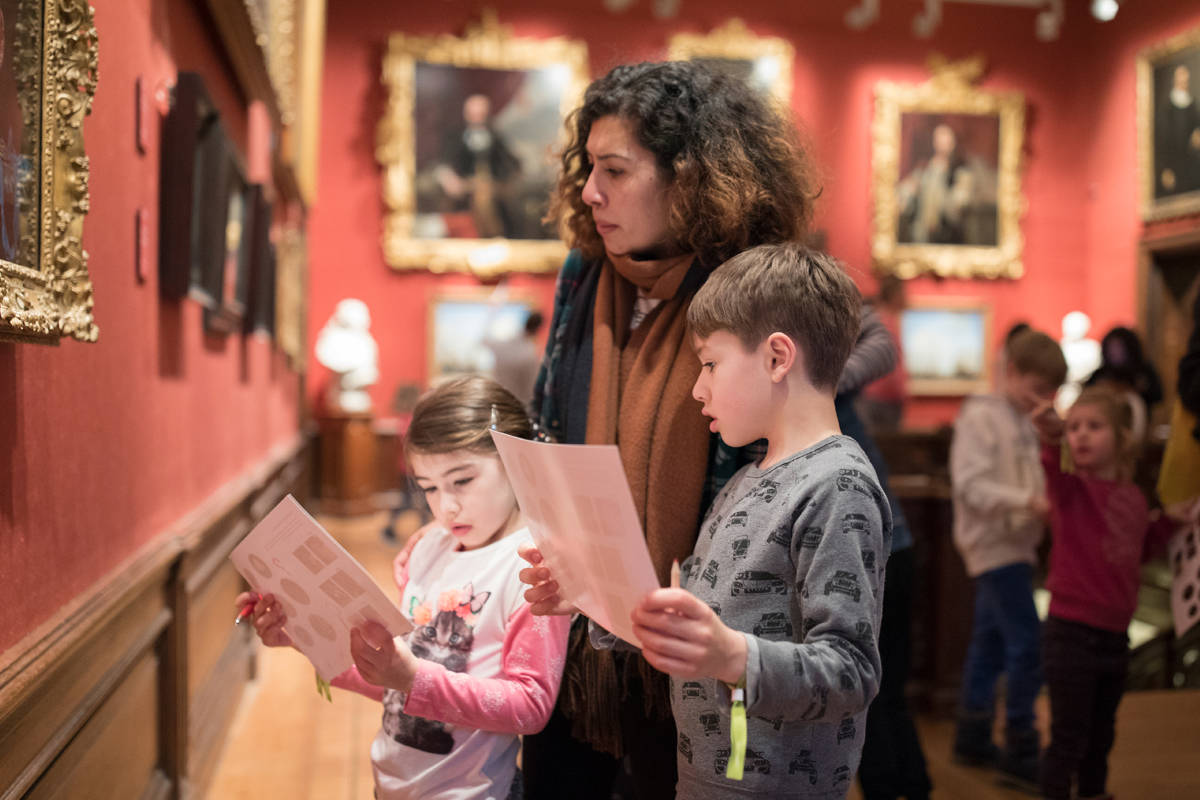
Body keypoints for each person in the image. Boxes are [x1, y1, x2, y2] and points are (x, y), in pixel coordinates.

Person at [523, 60, 819, 799]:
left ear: (688, 178)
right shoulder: (584, 273)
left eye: (616, 171)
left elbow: (775, 474)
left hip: (697, 651)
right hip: (573, 641)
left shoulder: (754, 294)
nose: (591, 192)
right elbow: (548, 422)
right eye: (588, 168)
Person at [522, 242, 889, 799]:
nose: (698, 387)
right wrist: (590, 593)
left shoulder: (838, 485)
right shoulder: (745, 480)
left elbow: (851, 669)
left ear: (776, 357)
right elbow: (699, 612)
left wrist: (732, 656)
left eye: (710, 364)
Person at [236, 375, 571, 800]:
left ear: (515, 463)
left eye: (462, 481)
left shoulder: (531, 569)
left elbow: (530, 707)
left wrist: (413, 677)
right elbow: (399, 684)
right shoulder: (427, 549)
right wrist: (303, 635)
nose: (445, 506)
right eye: (428, 487)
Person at [1030, 387, 1198, 800]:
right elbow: (1051, 463)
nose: (1081, 436)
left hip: (1114, 638)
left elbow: (1136, 548)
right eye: (1075, 428)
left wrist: (1169, 522)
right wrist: (1051, 434)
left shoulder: (1135, 498)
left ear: (1124, 438)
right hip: (1070, 636)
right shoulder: (1071, 492)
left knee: (1101, 738)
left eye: (1094, 426)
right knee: (1068, 739)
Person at [949, 328, 1067, 790]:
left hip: (1015, 544)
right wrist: (1028, 502)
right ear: (1012, 371)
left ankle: (971, 735)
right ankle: (1021, 744)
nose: (1044, 401)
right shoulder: (981, 417)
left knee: (991, 644)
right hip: (995, 545)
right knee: (1027, 646)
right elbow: (971, 486)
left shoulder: (1024, 419)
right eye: (1038, 389)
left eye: (1052, 393)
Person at [431, 93, 524, 239]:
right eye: (473, 113)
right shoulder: (455, 137)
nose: (477, 117)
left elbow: (512, 163)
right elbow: (442, 163)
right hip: (463, 186)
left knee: (486, 198)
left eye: (481, 113)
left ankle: (493, 234)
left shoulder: (496, 137)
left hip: (492, 186)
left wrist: (505, 181)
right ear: (466, 114)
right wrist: (448, 178)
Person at [1083, 326, 1163, 443]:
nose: (1115, 352)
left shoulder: (1143, 371)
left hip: (1139, 431)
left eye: (1119, 347)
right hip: (1102, 433)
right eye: (1112, 347)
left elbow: (1158, 396)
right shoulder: (1100, 374)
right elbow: (1085, 398)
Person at [856, 275, 909, 433]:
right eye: (904, 293)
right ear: (895, 294)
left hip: (886, 399)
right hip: (878, 400)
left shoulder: (887, 319)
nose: (907, 298)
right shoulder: (880, 320)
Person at [1155, 63, 1200, 198]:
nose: (1183, 82)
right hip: (1173, 163)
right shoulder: (1166, 108)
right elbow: (1161, 141)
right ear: (1175, 80)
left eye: (1186, 79)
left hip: (1191, 163)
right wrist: (1165, 169)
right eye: (1181, 78)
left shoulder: (1193, 106)